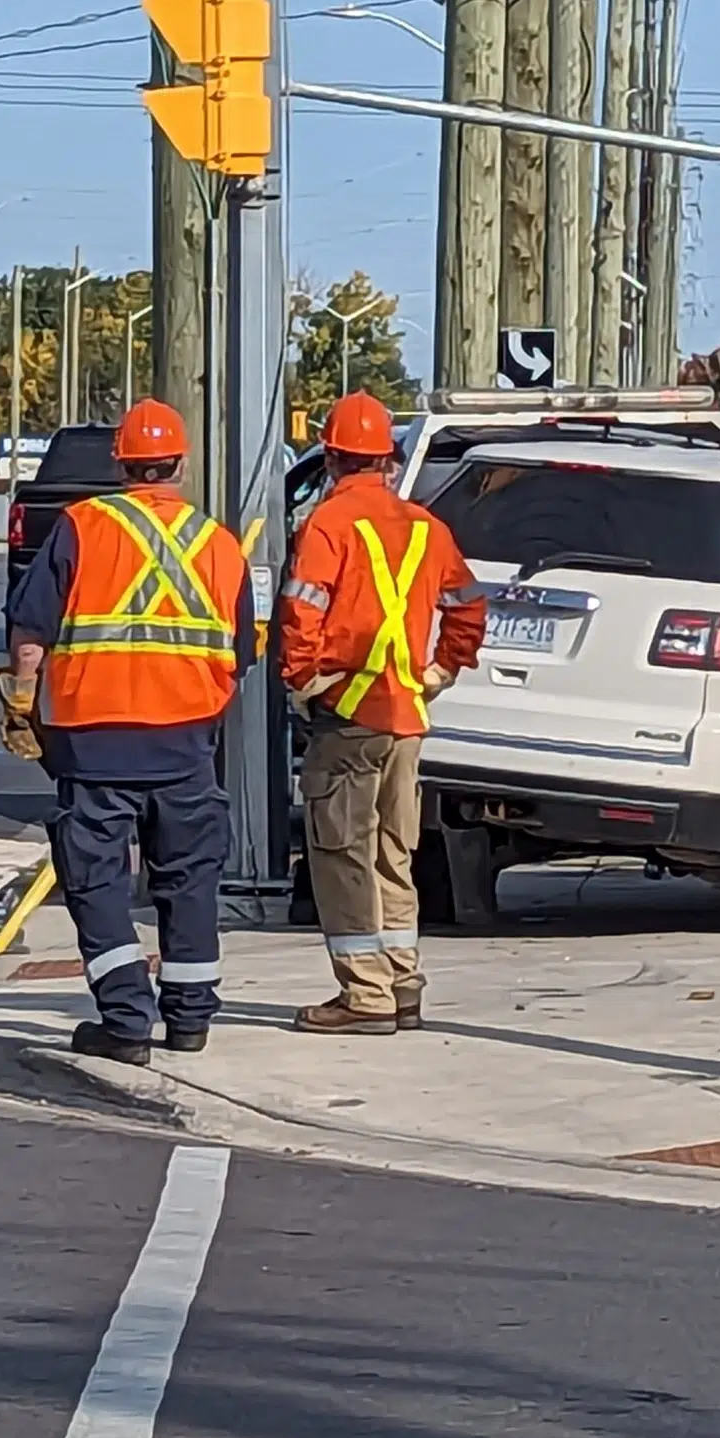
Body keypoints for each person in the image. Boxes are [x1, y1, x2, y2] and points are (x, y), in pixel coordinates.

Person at [0, 398, 255, 1065]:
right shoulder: (218, 543)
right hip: (187, 739)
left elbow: (31, 636)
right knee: (190, 878)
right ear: (181, 463)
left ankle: (126, 1018)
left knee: (97, 880)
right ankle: (190, 1017)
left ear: (121, 461)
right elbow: (241, 652)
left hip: (94, 737)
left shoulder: (83, 526)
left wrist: (23, 703)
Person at [276, 391, 487, 1035]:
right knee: (396, 851)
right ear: (389, 461)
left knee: (341, 853)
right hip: (405, 715)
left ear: (334, 458)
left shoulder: (327, 525)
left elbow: (300, 612)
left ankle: (365, 994)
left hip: (349, 715)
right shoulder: (427, 526)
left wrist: (304, 681)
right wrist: (441, 671)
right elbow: (469, 606)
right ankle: (402, 980)